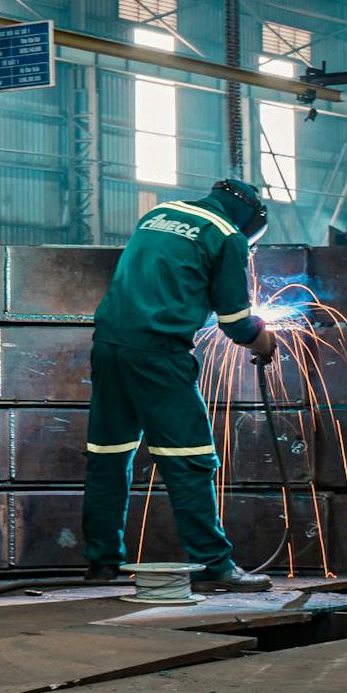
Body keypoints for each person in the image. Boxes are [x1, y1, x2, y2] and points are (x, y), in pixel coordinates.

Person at [82, 178, 279, 593]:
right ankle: (214, 565)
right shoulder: (227, 236)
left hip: (108, 347)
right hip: (158, 356)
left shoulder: (158, 214)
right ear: (249, 218)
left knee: (109, 457)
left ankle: (101, 564)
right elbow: (236, 323)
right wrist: (265, 340)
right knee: (189, 459)